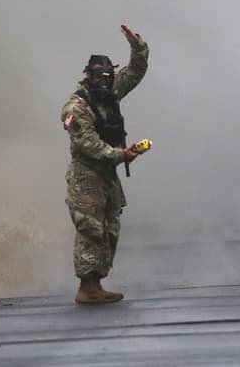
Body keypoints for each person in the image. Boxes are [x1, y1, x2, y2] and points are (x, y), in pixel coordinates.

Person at [61, 24, 150, 304]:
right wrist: (121, 154)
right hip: (86, 176)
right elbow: (87, 144)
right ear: (87, 75)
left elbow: (135, 72)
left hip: (106, 174)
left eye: (107, 77)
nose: (104, 82)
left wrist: (137, 45)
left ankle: (96, 284)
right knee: (90, 230)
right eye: (99, 76)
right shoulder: (76, 108)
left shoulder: (110, 92)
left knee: (109, 228)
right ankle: (87, 288)